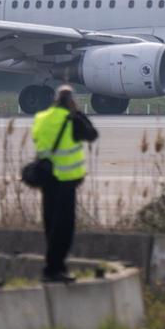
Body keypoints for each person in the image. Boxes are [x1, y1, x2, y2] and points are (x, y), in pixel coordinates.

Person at [32, 85, 98, 282]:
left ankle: (52, 267)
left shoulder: (41, 118)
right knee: (64, 228)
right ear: (71, 101)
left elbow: (36, 138)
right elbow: (91, 135)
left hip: (46, 179)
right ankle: (54, 268)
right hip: (65, 181)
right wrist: (77, 113)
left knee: (50, 224)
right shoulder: (72, 120)